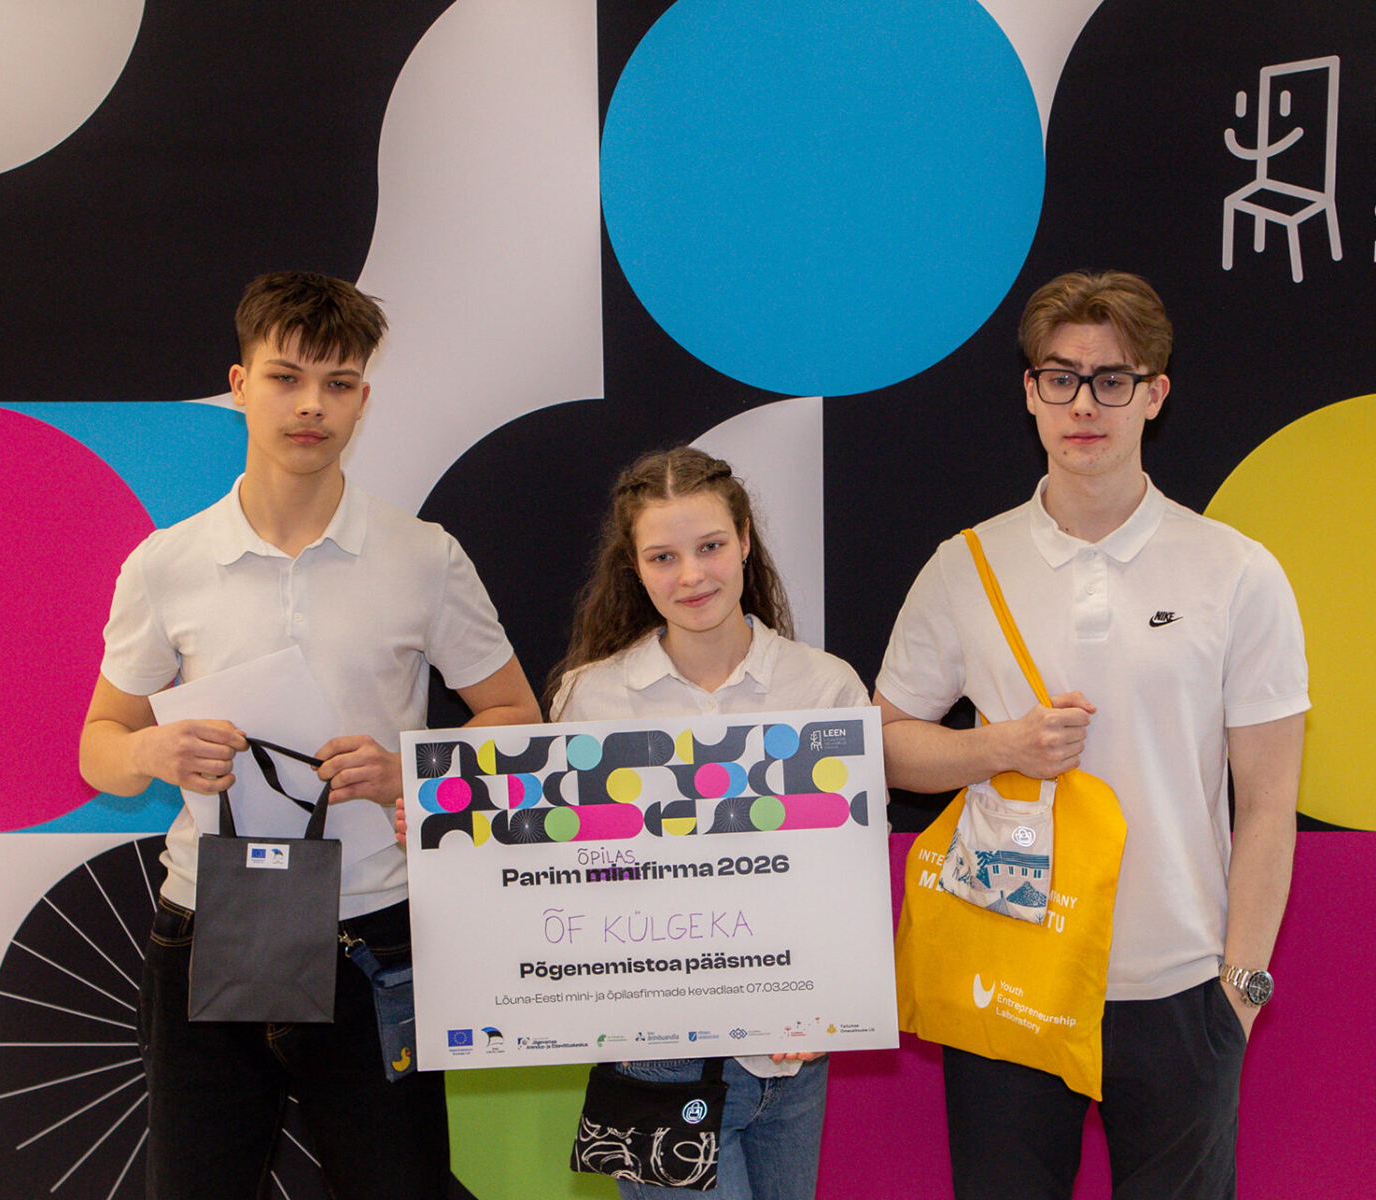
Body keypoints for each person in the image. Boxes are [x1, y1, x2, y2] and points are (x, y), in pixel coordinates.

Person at [79, 270, 542, 1200]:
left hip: (378, 935)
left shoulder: (424, 555)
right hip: (206, 929)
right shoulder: (168, 562)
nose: (310, 406)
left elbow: (516, 722)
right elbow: (100, 744)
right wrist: (149, 752)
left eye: (337, 384)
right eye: (285, 377)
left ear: (363, 400)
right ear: (239, 385)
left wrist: (410, 771)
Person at [874, 271, 1308, 1200]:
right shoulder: (966, 565)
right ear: (1030, 392)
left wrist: (1241, 990)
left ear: (1155, 394)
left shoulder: (1236, 571)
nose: (1084, 405)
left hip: (1181, 987)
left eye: (1113, 380)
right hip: (1010, 973)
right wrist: (998, 748)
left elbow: (1271, 804)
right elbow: (886, 741)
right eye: (1061, 378)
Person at [550, 446, 868, 1200]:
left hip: (791, 1060)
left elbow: (847, 880)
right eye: (663, 557)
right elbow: (560, 880)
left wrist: (828, 999)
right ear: (634, 567)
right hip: (653, 1057)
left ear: (746, 540)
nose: (691, 575)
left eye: (711, 546)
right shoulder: (590, 698)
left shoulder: (825, 688)